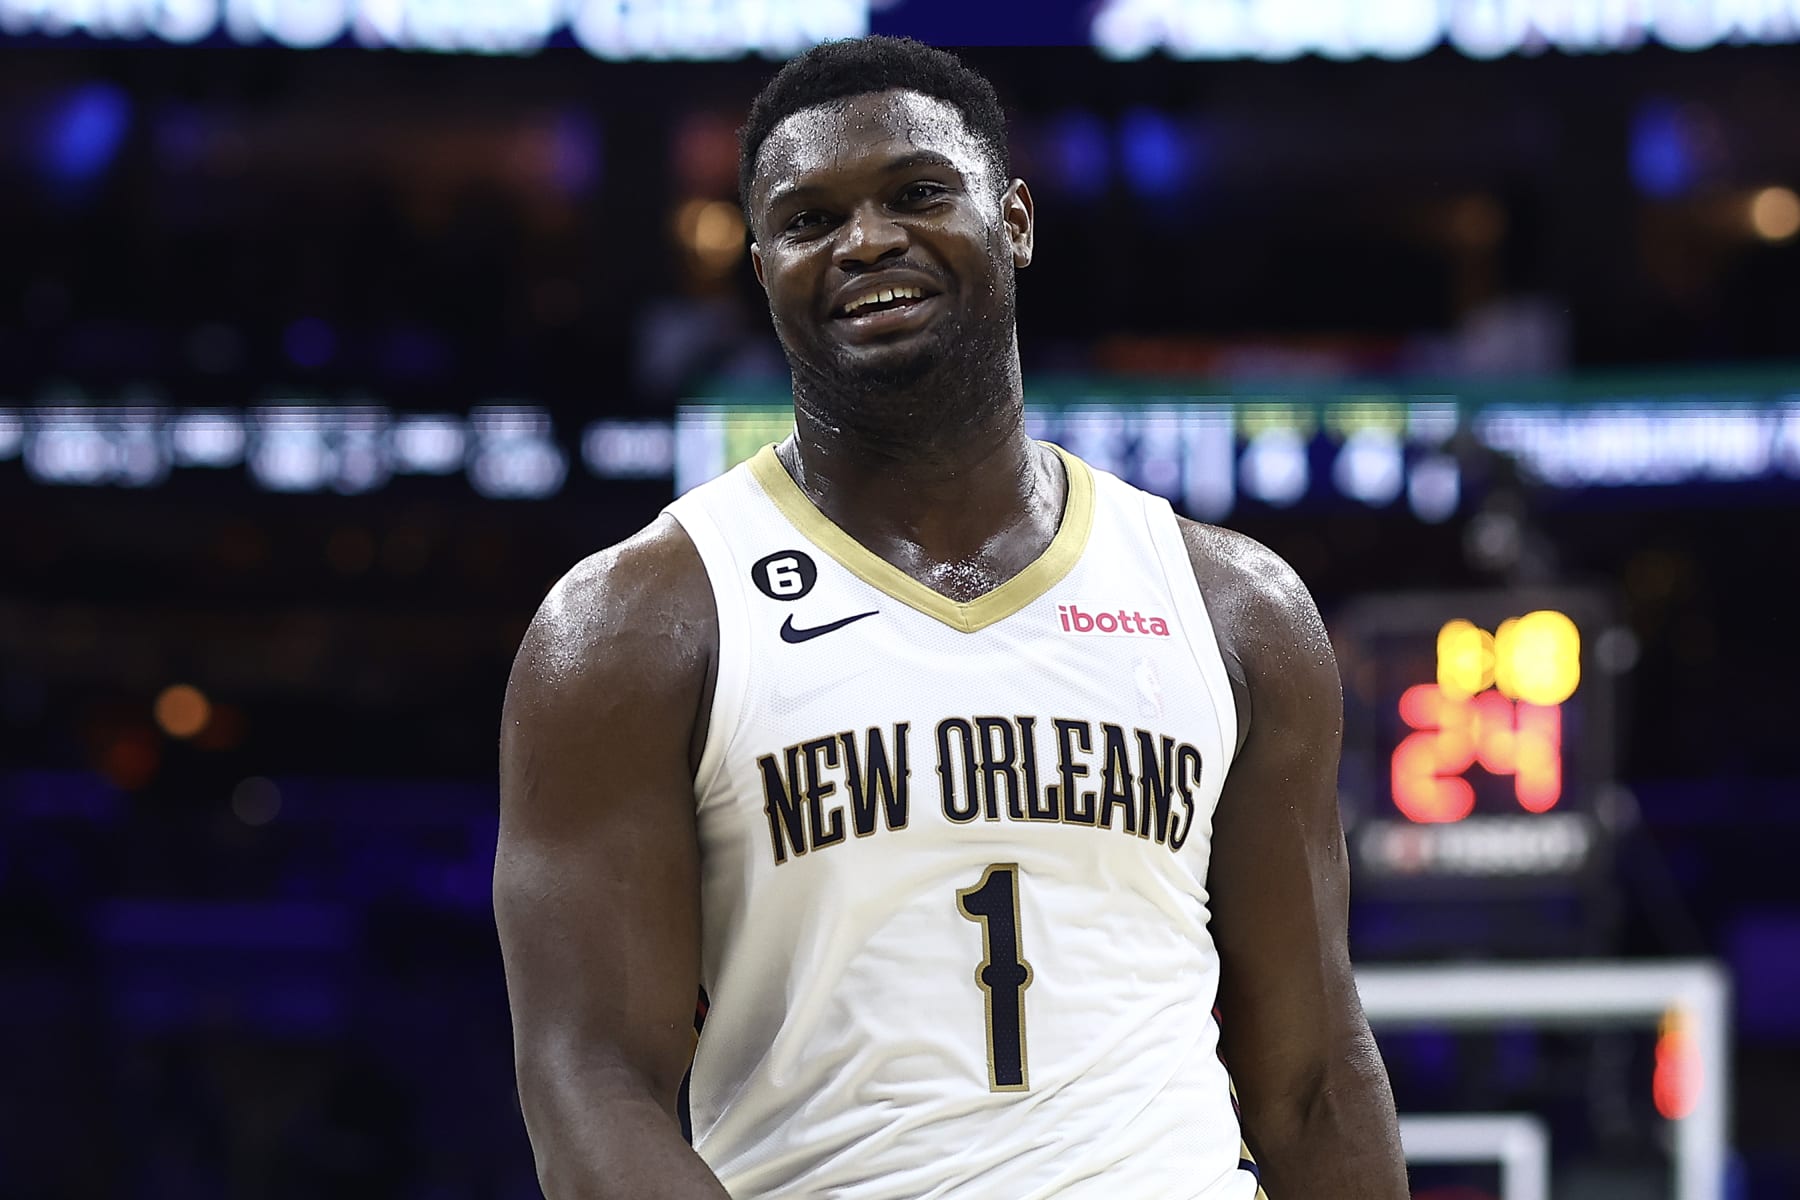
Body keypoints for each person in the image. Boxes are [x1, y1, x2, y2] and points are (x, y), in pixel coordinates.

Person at [495, 35, 1408, 1200]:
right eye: (808, 217)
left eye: (919, 194)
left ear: (1014, 220)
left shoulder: (1234, 606)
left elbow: (1315, 1076)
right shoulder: (635, 623)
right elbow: (588, 1078)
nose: (866, 240)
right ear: (761, 261)